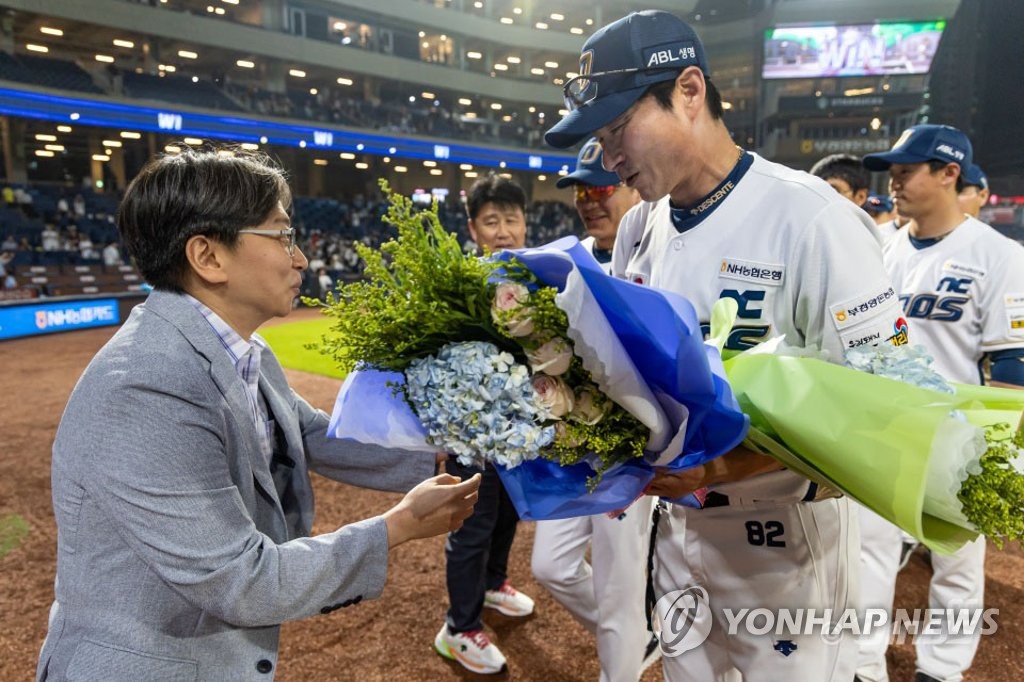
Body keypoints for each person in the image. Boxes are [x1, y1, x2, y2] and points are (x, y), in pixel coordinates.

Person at [545, 10, 905, 680]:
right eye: (600, 134)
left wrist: (720, 467)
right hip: (677, 534)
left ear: (689, 91)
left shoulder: (815, 219)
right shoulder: (639, 229)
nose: (609, 153)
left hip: (785, 547)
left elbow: (882, 415)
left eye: (619, 127)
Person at [36, 148, 481, 681]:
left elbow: (312, 435)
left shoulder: (244, 349)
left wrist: (447, 446)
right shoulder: (143, 386)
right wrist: (401, 525)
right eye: (282, 236)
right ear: (209, 256)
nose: (300, 258)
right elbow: (241, 580)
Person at [856, 125, 1024, 682]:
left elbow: (1011, 365)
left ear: (949, 173)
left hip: (958, 440)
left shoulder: (998, 255)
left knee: (956, 563)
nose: (894, 181)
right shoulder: (878, 246)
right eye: (893, 172)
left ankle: (942, 669)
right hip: (881, 429)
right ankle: (863, 665)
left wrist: (995, 452)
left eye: (908, 170)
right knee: (868, 556)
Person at [531, 138, 657, 681]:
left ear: (633, 185)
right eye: (580, 189)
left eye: (600, 186)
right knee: (550, 566)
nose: (588, 199)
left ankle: (625, 650)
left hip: (633, 450)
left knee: (620, 591)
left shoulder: (659, 251)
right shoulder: (566, 261)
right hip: (577, 445)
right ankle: (638, 636)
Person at [433, 172, 536, 675]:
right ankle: (459, 627)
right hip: (469, 436)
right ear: (473, 228)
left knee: (509, 514)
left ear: (524, 224)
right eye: (490, 220)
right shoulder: (459, 285)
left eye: (510, 219)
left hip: (521, 433)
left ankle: (495, 584)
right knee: (472, 528)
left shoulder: (538, 278)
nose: (502, 229)